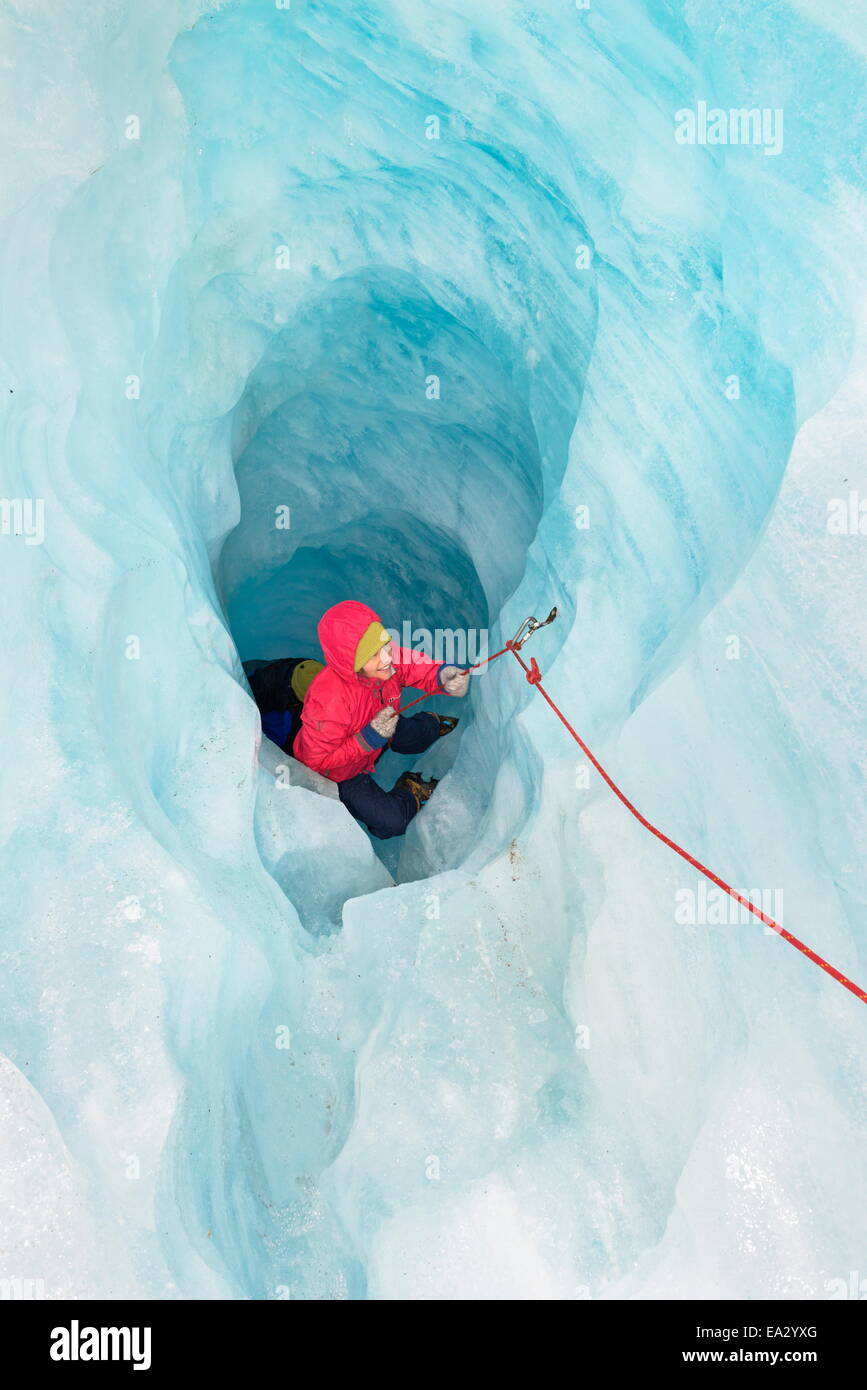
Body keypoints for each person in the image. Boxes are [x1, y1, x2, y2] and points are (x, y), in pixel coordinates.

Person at [264, 600, 469, 838]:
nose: (386, 657)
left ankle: (431, 724)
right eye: (374, 654)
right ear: (354, 663)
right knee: (392, 822)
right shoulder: (329, 701)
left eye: (385, 645)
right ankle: (411, 790)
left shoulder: (384, 660)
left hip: (380, 726)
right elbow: (314, 761)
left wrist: (440, 675)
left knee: (416, 737)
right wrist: (367, 740)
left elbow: (410, 664)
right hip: (343, 772)